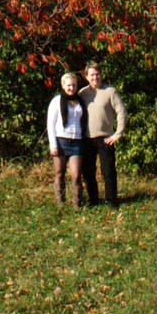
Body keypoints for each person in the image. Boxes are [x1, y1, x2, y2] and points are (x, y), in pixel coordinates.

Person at [79, 61, 126, 208]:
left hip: (106, 138)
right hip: (87, 139)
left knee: (108, 171)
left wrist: (118, 133)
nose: (95, 77)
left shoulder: (110, 92)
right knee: (88, 172)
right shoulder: (82, 93)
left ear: (101, 75)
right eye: (92, 75)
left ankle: (111, 200)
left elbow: (122, 112)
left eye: (97, 74)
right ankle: (94, 200)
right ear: (86, 77)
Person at [46, 71, 87, 209]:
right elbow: (50, 124)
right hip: (61, 141)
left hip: (77, 141)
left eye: (74, 85)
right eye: (69, 85)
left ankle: (77, 205)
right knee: (60, 172)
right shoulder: (57, 101)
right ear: (63, 85)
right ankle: (61, 203)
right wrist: (53, 145)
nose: (71, 88)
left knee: (76, 175)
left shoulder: (80, 100)